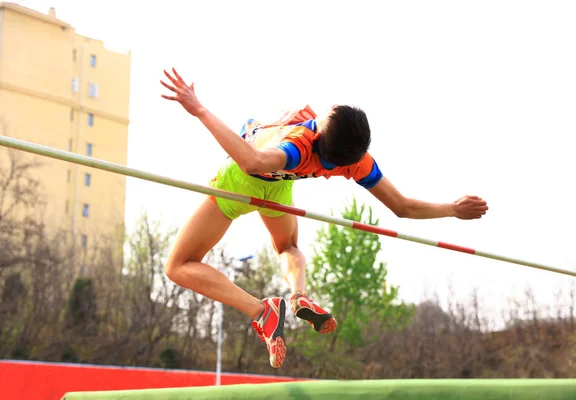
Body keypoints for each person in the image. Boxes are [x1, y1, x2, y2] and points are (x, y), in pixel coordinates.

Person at [160, 68, 488, 369]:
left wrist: (200, 110)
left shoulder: (300, 145)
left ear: (321, 133)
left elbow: (253, 161)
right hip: (278, 192)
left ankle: (262, 311)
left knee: (178, 266)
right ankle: (299, 294)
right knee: (288, 247)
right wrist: (451, 209)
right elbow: (402, 207)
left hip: (238, 183)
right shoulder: (354, 161)